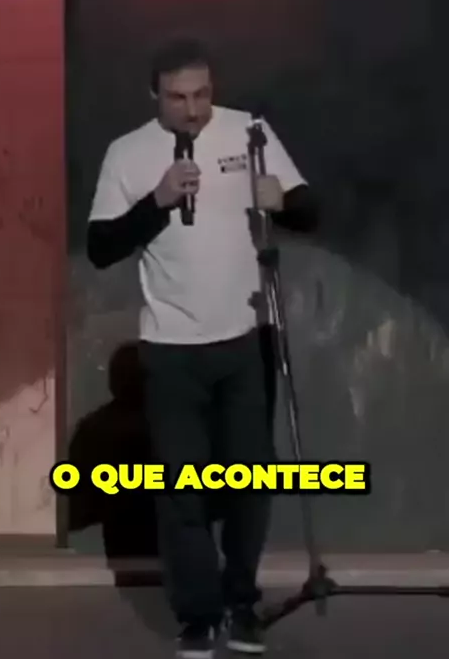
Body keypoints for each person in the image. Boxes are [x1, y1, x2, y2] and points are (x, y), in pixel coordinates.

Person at [87, 38, 319, 658]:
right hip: (171, 351)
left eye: (202, 94)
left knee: (249, 484)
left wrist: (283, 202)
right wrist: (157, 202)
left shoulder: (249, 132)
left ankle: (241, 606)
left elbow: (308, 210)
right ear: (153, 95)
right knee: (181, 492)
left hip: (244, 341)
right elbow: (102, 247)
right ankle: (198, 616)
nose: (193, 109)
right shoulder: (128, 154)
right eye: (178, 98)